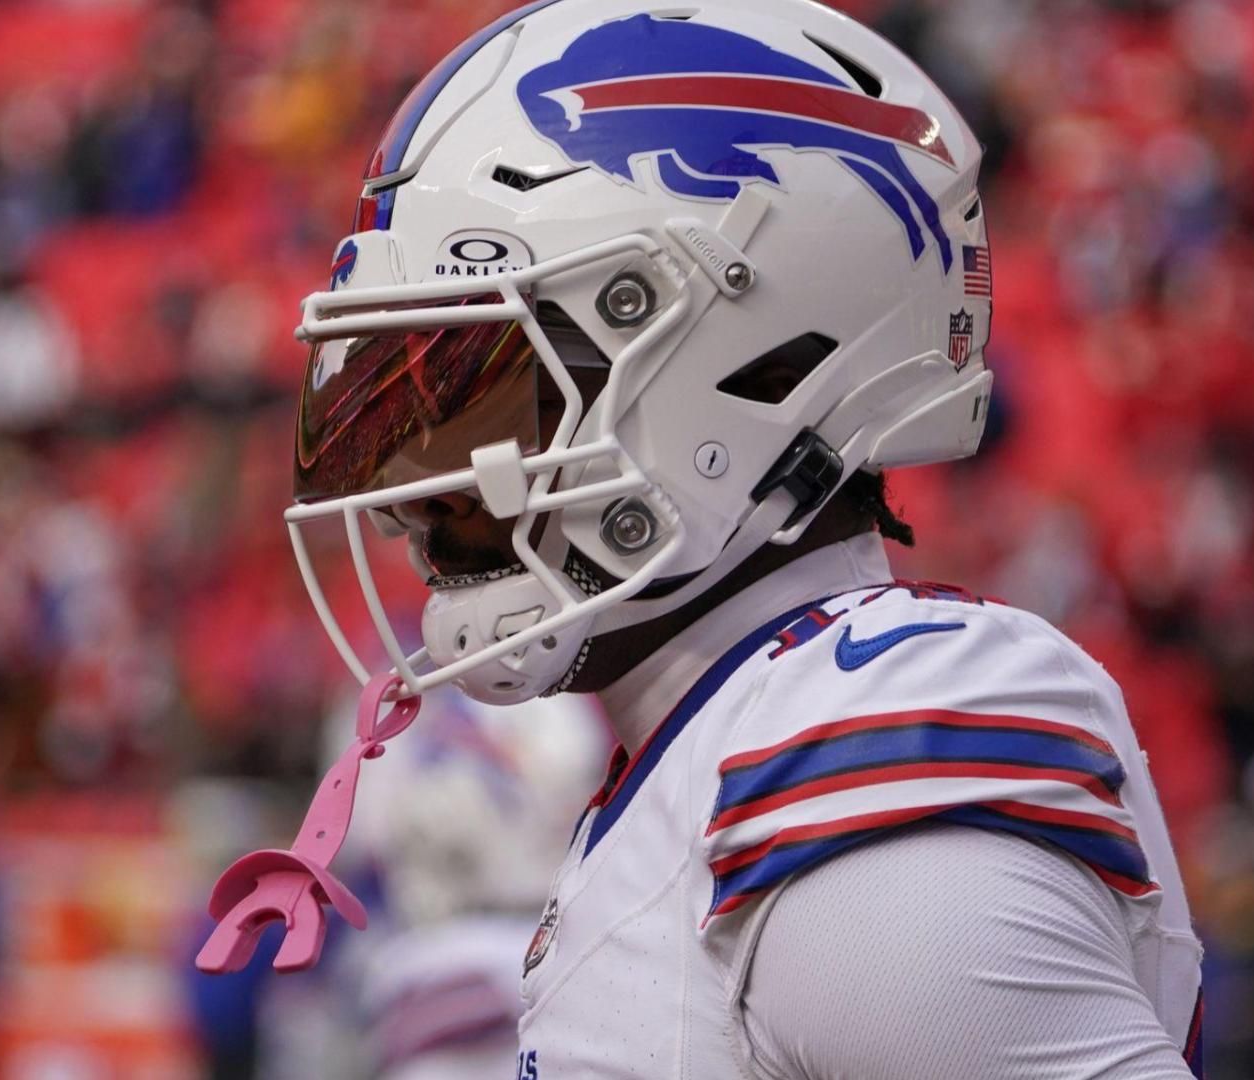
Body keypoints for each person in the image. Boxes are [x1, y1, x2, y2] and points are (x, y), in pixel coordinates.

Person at [276, 0, 1203, 1075]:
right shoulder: (701, 749)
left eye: (488, 403)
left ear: (754, 372)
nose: (411, 500)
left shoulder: (857, 755)